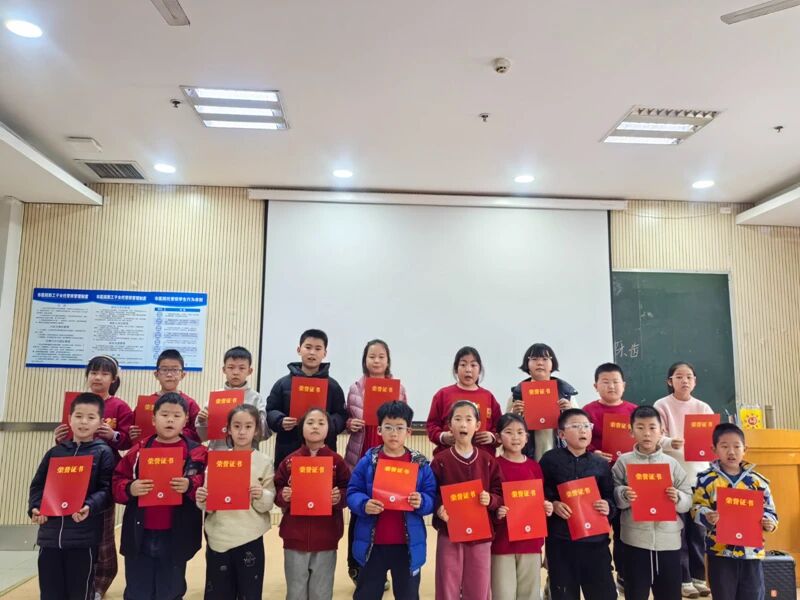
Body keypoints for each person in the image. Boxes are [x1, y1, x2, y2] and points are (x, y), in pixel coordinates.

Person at [112, 393, 207, 600]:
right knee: (138, 590)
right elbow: (117, 480)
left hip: (176, 533)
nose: (170, 420)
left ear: (186, 420)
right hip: (140, 533)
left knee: (170, 590)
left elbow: (207, 484)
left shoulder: (197, 452)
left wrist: (190, 484)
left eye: (176, 415)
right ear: (154, 419)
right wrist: (130, 488)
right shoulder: (139, 450)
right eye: (164, 415)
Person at [54, 354, 132, 598]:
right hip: (74, 474)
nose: (98, 377)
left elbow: (129, 441)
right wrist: (59, 438)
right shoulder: (75, 403)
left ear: (114, 379)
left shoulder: (120, 406)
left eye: (105, 373)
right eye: (94, 372)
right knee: (75, 527)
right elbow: (70, 438)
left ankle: (100, 583)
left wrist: (113, 435)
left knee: (103, 532)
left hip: (103, 476)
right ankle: (77, 580)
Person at [29, 392, 115, 600]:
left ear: (101, 422)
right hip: (49, 537)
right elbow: (38, 485)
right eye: (78, 416)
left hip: (82, 538)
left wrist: (89, 506)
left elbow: (106, 490)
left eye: (91, 417)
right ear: (69, 419)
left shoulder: (103, 453)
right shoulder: (55, 452)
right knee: (50, 591)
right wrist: (35, 507)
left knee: (79, 591)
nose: (84, 422)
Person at [347, 401, 436, 600]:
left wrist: (421, 501)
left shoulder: (420, 464)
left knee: (408, 595)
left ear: (409, 432)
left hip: (407, 547)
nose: (394, 433)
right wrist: (364, 504)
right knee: (367, 594)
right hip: (372, 546)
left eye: (399, 428)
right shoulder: (368, 461)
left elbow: (431, 497)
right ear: (379, 430)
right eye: (388, 427)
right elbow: (352, 492)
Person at [344, 339, 409, 582]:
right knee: (360, 512)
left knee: (387, 512)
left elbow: (403, 421)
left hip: (390, 458)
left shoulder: (398, 389)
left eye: (381, 356)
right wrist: (350, 424)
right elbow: (346, 418)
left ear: (388, 360)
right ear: (365, 360)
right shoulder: (355, 388)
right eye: (372, 356)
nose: (377, 361)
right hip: (362, 456)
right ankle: (356, 567)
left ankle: (382, 571)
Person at [612, 406, 692, 600]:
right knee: (635, 593)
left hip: (668, 542)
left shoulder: (672, 464)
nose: (646, 433)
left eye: (652, 428)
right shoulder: (623, 462)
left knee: (669, 594)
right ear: (631, 431)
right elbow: (613, 494)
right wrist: (623, 494)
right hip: (635, 540)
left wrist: (677, 498)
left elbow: (688, 499)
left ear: (661, 431)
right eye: (640, 427)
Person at [196, 404, 275, 599]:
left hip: (250, 535)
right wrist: (203, 498)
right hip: (220, 536)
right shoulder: (218, 460)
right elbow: (208, 503)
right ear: (229, 429)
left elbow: (268, 503)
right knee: (219, 592)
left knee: (249, 592)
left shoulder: (264, 462)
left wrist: (261, 495)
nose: (242, 432)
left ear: (256, 430)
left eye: (248, 426)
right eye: (237, 426)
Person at [691, 423, 778, 600]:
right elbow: (696, 508)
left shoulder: (757, 482)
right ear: (714, 449)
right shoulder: (706, 480)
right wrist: (707, 515)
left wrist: (769, 522)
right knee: (723, 594)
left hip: (751, 553)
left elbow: (770, 511)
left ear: (745, 449)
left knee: (752, 594)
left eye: (737, 446)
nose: (731, 452)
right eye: (724, 446)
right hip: (720, 552)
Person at [274, 408, 351, 600]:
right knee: (295, 591)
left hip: (326, 536)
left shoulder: (336, 461)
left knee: (321, 591)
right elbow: (277, 488)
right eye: (310, 422)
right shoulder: (290, 461)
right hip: (294, 537)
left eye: (321, 423)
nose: (315, 426)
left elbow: (348, 489)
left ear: (329, 429)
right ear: (301, 427)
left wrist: (339, 497)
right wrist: (284, 495)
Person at [540, 408, 617, 600]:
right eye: (575, 426)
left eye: (586, 426)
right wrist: (553, 504)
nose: (583, 430)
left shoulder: (600, 464)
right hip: (561, 541)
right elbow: (541, 492)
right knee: (564, 594)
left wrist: (607, 506)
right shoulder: (550, 460)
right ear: (561, 434)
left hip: (595, 543)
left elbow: (610, 496)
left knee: (603, 594)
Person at [430, 400, 503, 600]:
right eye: (458, 419)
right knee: (447, 583)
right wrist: (438, 507)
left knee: (478, 585)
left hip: (481, 534)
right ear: (449, 425)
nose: (463, 424)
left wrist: (491, 499)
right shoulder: (440, 461)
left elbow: (500, 492)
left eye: (469, 419)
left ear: (477, 425)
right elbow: (430, 492)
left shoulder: (488, 461)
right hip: (449, 531)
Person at [653, 362, 713, 598]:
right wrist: (670, 443)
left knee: (698, 532)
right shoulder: (662, 405)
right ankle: (684, 580)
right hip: (673, 478)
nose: (684, 381)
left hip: (698, 478)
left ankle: (699, 578)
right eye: (679, 376)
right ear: (670, 381)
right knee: (678, 532)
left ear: (695, 381)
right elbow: (655, 437)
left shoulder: (703, 407)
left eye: (689, 376)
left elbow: (712, 440)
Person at [583, 362, 637, 592]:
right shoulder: (587, 411)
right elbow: (579, 442)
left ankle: (624, 575)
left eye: (615, 381)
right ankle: (604, 574)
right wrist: (592, 453)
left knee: (626, 529)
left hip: (628, 479)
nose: (611, 386)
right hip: (599, 478)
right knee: (600, 528)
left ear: (624, 385)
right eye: (605, 382)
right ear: (595, 386)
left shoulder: (634, 411)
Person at [492, 412, 553, 600]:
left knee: (529, 594)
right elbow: (490, 499)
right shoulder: (493, 465)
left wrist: (546, 506)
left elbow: (539, 498)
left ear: (527, 437)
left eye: (520, 432)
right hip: (502, 540)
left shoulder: (534, 466)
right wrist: (497, 510)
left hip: (530, 541)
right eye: (509, 432)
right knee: (503, 594)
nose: (515, 437)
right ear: (498, 437)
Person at [266, 329, 347, 468]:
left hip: (323, 449)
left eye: (318, 349)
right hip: (288, 447)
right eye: (308, 347)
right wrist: (280, 420)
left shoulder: (332, 386)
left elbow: (341, 414)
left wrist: (329, 425)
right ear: (299, 350)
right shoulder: (283, 384)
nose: (312, 352)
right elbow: (270, 410)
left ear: (325, 353)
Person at [426, 346, 501, 455]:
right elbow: (431, 425)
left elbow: (500, 427)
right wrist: (442, 436)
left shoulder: (488, 396)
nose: (468, 369)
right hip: (449, 458)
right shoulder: (443, 394)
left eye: (473, 365)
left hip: (482, 459)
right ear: (456, 369)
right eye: (463, 364)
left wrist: (492, 437)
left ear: (479, 370)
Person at [508, 343, 577, 460]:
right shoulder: (518, 394)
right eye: (534, 359)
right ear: (527, 364)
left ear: (552, 363)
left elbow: (579, 424)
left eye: (545, 359)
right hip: (527, 454)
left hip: (560, 453)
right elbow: (505, 426)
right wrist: (514, 414)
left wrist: (569, 412)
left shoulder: (565, 393)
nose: (540, 363)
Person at [196, 346, 270, 451]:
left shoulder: (255, 398)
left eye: (242, 368)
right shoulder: (216, 397)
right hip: (218, 453)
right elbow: (202, 437)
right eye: (231, 367)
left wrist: (256, 422)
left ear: (250, 371)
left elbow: (263, 434)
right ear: (224, 369)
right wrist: (202, 421)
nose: (236, 372)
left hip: (246, 454)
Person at [130, 349, 201, 443]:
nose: (169, 374)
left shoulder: (190, 403)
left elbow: (198, 435)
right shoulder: (144, 404)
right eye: (164, 369)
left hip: (181, 450)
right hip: (151, 449)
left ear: (182, 375)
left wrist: (178, 431)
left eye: (175, 370)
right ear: (156, 374)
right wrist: (131, 434)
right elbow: (132, 430)